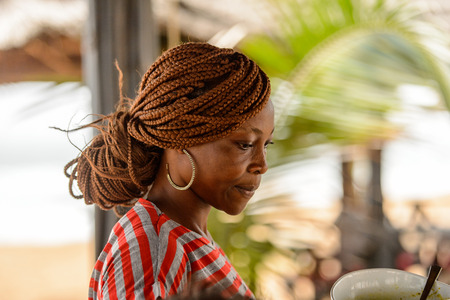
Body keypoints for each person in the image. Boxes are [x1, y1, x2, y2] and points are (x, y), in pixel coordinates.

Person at [64, 42, 273, 300]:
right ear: (181, 140)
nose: (262, 165)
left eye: (267, 145)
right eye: (245, 145)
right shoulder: (152, 254)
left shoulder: (183, 235)